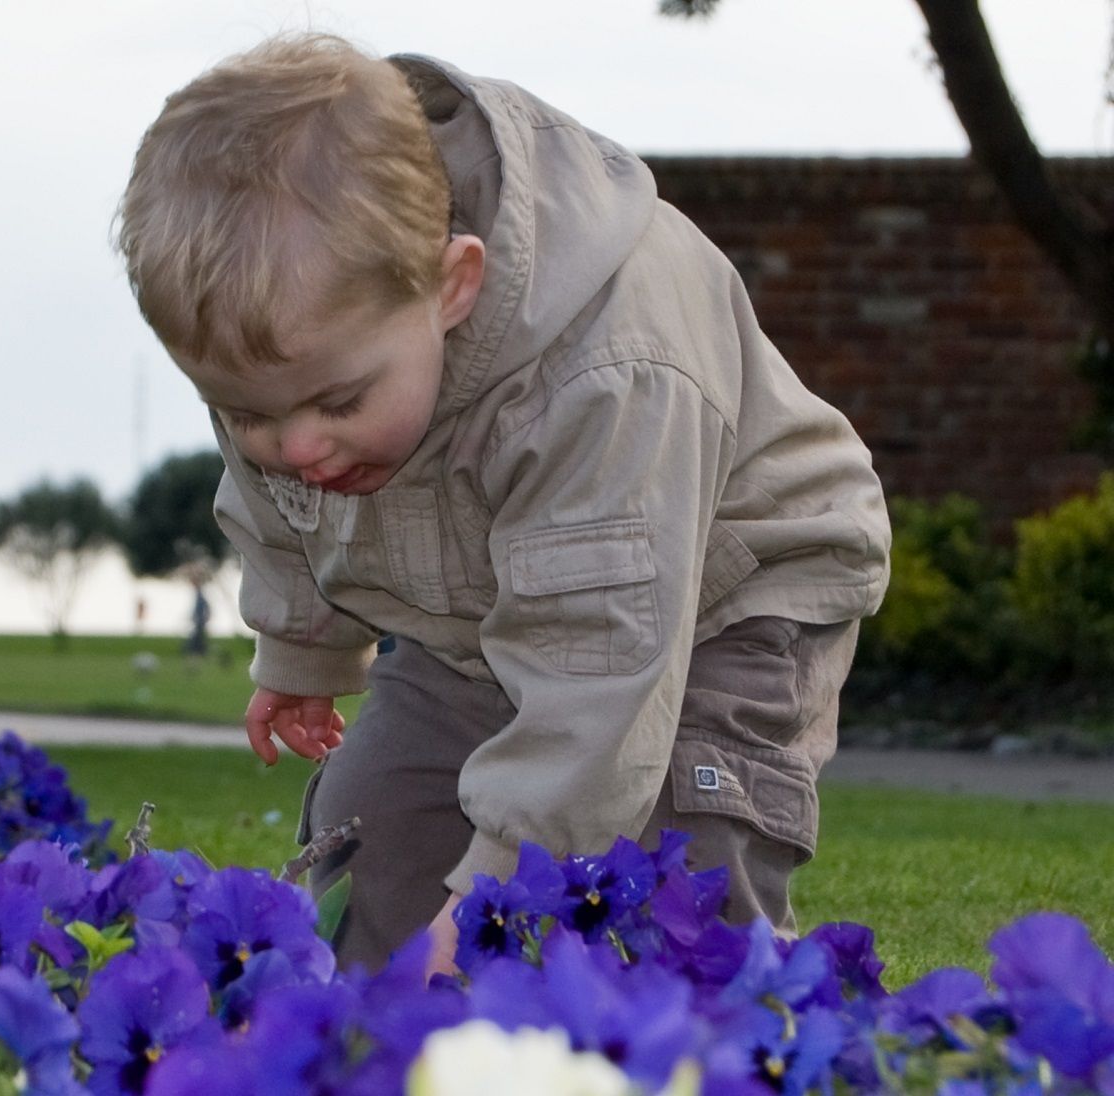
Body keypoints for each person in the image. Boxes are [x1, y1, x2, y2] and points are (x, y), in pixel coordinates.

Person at [115, 33, 890, 974]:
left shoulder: (604, 377)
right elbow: (266, 498)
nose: (299, 447)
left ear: (453, 284)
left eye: (339, 402)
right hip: (487, 613)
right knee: (380, 830)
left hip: (729, 598)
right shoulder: (310, 354)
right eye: (248, 413)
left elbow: (597, 680)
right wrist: (304, 644)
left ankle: (727, 1035)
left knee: (673, 859)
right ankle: (394, 1043)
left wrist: (487, 900)